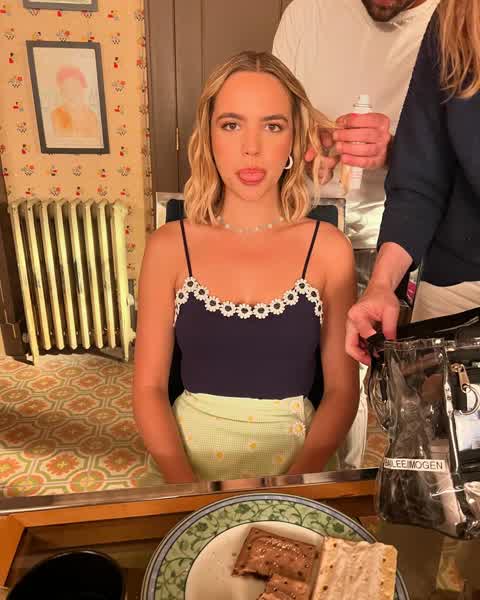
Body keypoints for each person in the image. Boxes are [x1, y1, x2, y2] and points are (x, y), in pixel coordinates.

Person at [133, 51, 358, 484]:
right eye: (231, 125)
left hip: (297, 466)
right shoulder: (168, 248)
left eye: (272, 126)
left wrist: (291, 489)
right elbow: (148, 389)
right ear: (208, 136)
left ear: (294, 140)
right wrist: (189, 492)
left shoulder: (330, 250)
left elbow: (343, 391)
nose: (251, 148)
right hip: (186, 468)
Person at [346, 2, 480, 595]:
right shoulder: (458, 18)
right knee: (425, 490)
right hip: (456, 290)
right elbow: (422, 177)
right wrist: (383, 284)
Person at [273, 0, 440, 468]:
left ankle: (339, 480)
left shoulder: (450, 22)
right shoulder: (307, 13)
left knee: (363, 380)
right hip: (301, 221)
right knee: (292, 368)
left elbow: (451, 157)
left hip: (391, 238)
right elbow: (276, 109)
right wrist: (305, 136)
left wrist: (398, 152)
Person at [51, 66, 99, 138]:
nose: (71, 93)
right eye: (67, 88)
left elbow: (95, 139)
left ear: (82, 89)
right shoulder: (56, 115)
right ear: (62, 91)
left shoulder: (91, 116)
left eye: (75, 87)